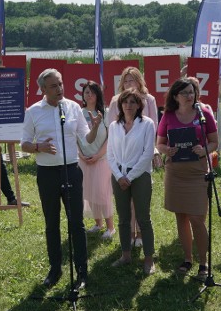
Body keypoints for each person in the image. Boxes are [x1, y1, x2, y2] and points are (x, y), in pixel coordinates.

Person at [20, 68, 102, 290]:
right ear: (43, 89)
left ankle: (82, 271)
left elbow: (86, 139)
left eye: (61, 84)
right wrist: (39, 147)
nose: (59, 89)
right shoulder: (34, 111)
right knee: (52, 223)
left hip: (71, 170)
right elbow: (24, 143)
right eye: (54, 86)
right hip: (47, 174)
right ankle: (55, 269)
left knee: (76, 223)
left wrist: (94, 129)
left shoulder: (73, 107)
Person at [156, 76, 218, 277]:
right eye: (184, 93)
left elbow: (214, 142)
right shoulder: (168, 116)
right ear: (176, 96)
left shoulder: (204, 114)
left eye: (191, 92)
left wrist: (203, 150)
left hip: (197, 172)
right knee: (181, 216)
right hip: (175, 173)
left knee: (197, 218)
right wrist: (168, 150)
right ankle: (187, 258)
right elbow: (160, 143)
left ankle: (204, 262)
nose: (189, 96)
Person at [106, 66, 162, 248]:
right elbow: (113, 130)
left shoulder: (150, 100)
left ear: (140, 81)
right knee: (125, 205)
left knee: (141, 202)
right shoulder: (116, 101)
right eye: (126, 81)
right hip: (122, 156)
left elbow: (154, 126)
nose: (129, 84)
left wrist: (153, 151)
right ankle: (129, 234)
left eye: (132, 80)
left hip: (143, 155)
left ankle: (140, 235)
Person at [108, 89, 157, 274]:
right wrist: (119, 175)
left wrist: (129, 176)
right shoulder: (114, 126)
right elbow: (110, 153)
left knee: (143, 218)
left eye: (133, 102)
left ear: (139, 105)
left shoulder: (147, 124)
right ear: (120, 105)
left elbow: (147, 154)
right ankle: (126, 255)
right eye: (125, 102)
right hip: (118, 175)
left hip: (140, 175)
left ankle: (149, 259)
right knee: (123, 218)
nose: (128, 105)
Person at [78, 81, 115, 239]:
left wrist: (98, 155)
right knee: (89, 192)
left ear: (98, 95)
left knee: (102, 192)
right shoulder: (78, 113)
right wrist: (81, 155)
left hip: (101, 159)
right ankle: (98, 223)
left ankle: (110, 227)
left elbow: (110, 138)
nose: (89, 95)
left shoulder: (105, 113)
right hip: (84, 160)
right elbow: (73, 136)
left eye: (92, 92)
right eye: (86, 92)